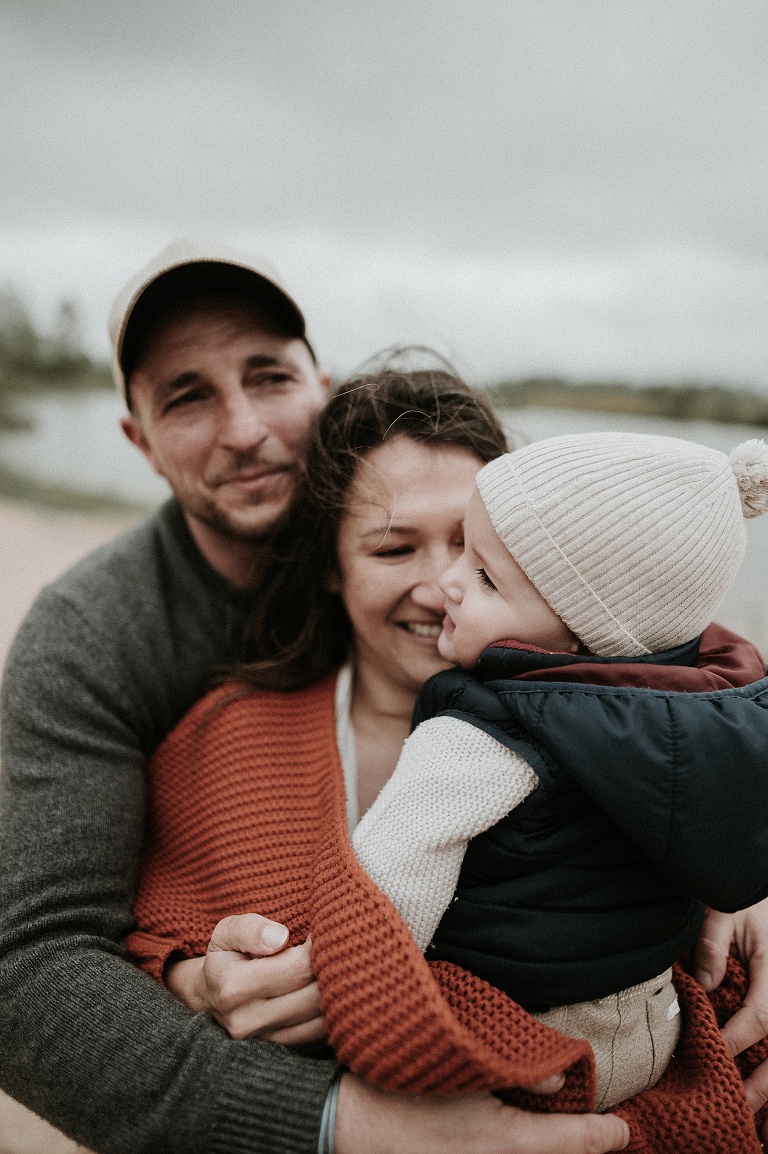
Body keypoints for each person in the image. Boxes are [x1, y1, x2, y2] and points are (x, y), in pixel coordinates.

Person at [0, 240, 631, 1154]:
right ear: (136, 439)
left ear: (319, 386)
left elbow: (670, 675)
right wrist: (315, 1105)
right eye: (186, 395)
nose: (246, 428)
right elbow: (33, 965)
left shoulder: (506, 601)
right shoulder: (92, 640)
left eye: (269, 376)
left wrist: (732, 871)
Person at [127, 379, 768, 1152]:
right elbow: (124, 936)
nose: (443, 585)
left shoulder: (658, 731)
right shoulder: (224, 742)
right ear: (328, 563)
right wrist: (189, 981)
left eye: (475, 548)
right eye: (395, 547)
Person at [351, 431, 768, 1115]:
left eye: (486, 575)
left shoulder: (482, 733)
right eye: (465, 547)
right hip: (652, 1027)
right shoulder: (702, 721)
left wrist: (352, 1020)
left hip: (519, 1045)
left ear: (579, 635)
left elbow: (387, 886)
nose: (447, 582)